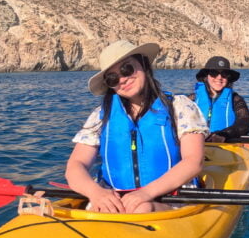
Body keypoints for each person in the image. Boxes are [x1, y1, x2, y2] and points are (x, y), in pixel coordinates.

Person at [66, 39, 207, 213]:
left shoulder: (180, 107)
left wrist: (146, 193)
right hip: (115, 200)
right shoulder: (100, 116)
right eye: (112, 78)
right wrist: (96, 193)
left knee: (143, 207)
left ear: (143, 65)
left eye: (127, 68)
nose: (123, 79)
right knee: (101, 209)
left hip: (170, 198)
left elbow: (194, 161)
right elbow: (75, 165)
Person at [191, 55, 249, 143]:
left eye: (224, 74)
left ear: (228, 78)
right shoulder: (191, 100)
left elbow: (244, 124)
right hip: (196, 146)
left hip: (224, 147)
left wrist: (224, 134)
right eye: (214, 73)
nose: (219, 77)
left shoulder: (236, 100)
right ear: (206, 76)